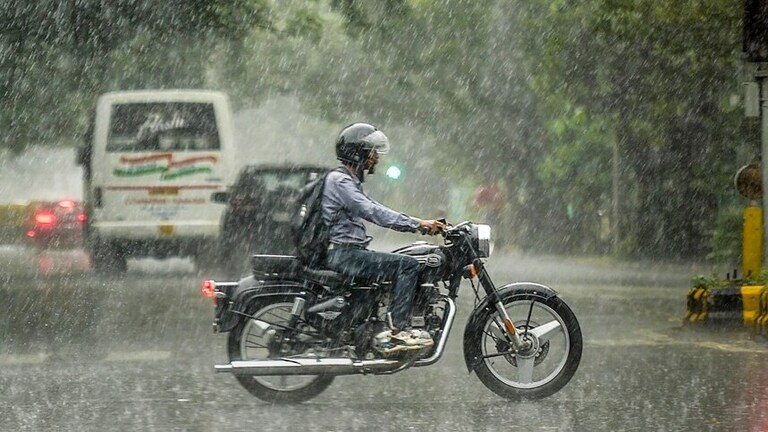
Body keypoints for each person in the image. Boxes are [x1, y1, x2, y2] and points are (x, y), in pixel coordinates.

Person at [322, 122, 445, 355]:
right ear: (357, 152)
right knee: (407, 265)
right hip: (344, 253)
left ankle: (356, 330)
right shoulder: (340, 181)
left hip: (347, 251)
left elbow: (374, 206)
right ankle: (399, 331)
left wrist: (419, 222)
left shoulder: (348, 181)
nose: (375, 158)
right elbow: (371, 211)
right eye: (372, 152)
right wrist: (416, 224)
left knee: (376, 283)